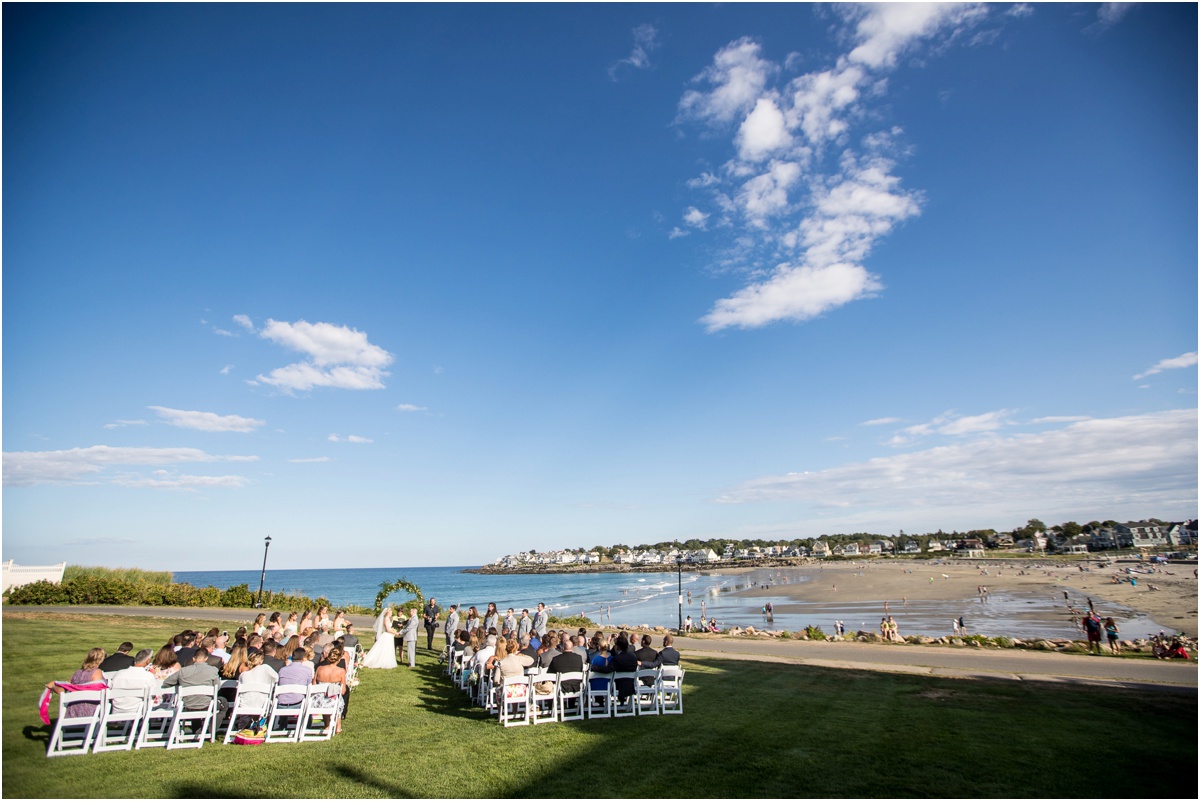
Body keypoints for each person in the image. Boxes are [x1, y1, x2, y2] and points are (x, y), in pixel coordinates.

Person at [161, 648, 228, 733]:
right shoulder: (212, 670)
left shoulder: (183, 671)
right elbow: (217, 687)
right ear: (206, 658)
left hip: (188, 705)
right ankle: (211, 729)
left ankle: (198, 730)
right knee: (224, 703)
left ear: (193, 659)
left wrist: (180, 684)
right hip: (207, 705)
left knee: (194, 700)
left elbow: (166, 683)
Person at [45, 648, 107, 718]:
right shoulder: (97, 672)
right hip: (90, 712)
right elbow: (98, 692)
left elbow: (65, 688)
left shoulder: (76, 673)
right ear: (101, 659)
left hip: (71, 712)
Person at [312, 645, 347, 735]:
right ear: (338, 659)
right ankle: (338, 726)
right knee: (337, 699)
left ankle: (327, 725)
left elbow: (314, 685)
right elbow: (343, 691)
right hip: (332, 702)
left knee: (327, 697)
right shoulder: (341, 671)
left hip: (317, 701)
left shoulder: (319, 668)